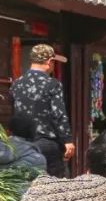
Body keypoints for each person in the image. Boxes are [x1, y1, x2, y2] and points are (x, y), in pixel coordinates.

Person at [9, 44, 73, 177]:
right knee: (55, 185)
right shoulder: (52, 84)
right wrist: (67, 140)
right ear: (49, 62)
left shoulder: (16, 84)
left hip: (22, 144)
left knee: (27, 182)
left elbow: (14, 112)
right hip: (47, 143)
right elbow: (58, 114)